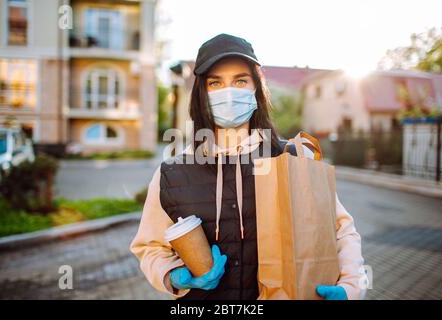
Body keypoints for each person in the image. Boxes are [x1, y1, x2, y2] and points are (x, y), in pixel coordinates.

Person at [130, 33, 366, 300]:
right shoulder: (172, 173)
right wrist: (173, 275)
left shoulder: (294, 158)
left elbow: (341, 230)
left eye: (240, 80)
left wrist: (350, 288)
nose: (228, 93)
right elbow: (150, 247)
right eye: (215, 83)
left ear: (256, 87)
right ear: (201, 93)